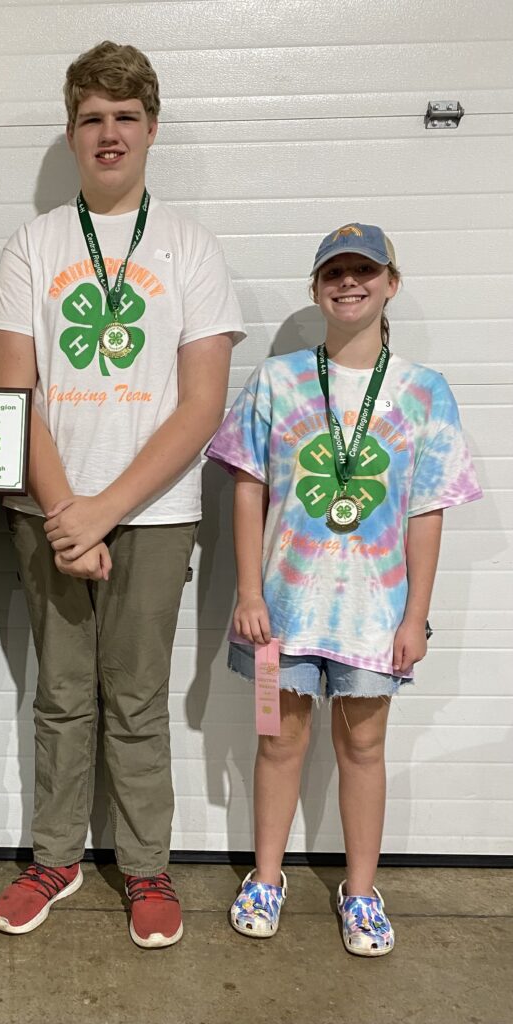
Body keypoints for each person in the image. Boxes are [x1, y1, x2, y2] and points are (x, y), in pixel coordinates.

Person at [0, 41, 245, 948]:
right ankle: (55, 857)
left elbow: (202, 403)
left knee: (134, 699)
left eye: (125, 117)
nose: (109, 133)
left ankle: (146, 869)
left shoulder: (190, 247)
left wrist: (104, 510)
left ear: (152, 129)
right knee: (60, 695)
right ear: (71, 132)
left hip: (156, 515)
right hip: (48, 511)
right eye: (92, 117)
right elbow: (13, 396)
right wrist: (68, 512)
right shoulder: (34, 243)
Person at [206, 223, 482, 956]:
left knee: (364, 747)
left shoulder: (424, 392)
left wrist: (416, 616)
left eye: (366, 270)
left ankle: (361, 891)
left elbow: (427, 510)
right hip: (280, 618)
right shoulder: (277, 379)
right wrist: (248, 593)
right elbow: (247, 490)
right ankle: (266, 878)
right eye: (335, 272)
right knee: (275, 740)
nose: (349, 282)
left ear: (392, 282)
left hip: (373, 616)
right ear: (316, 288)